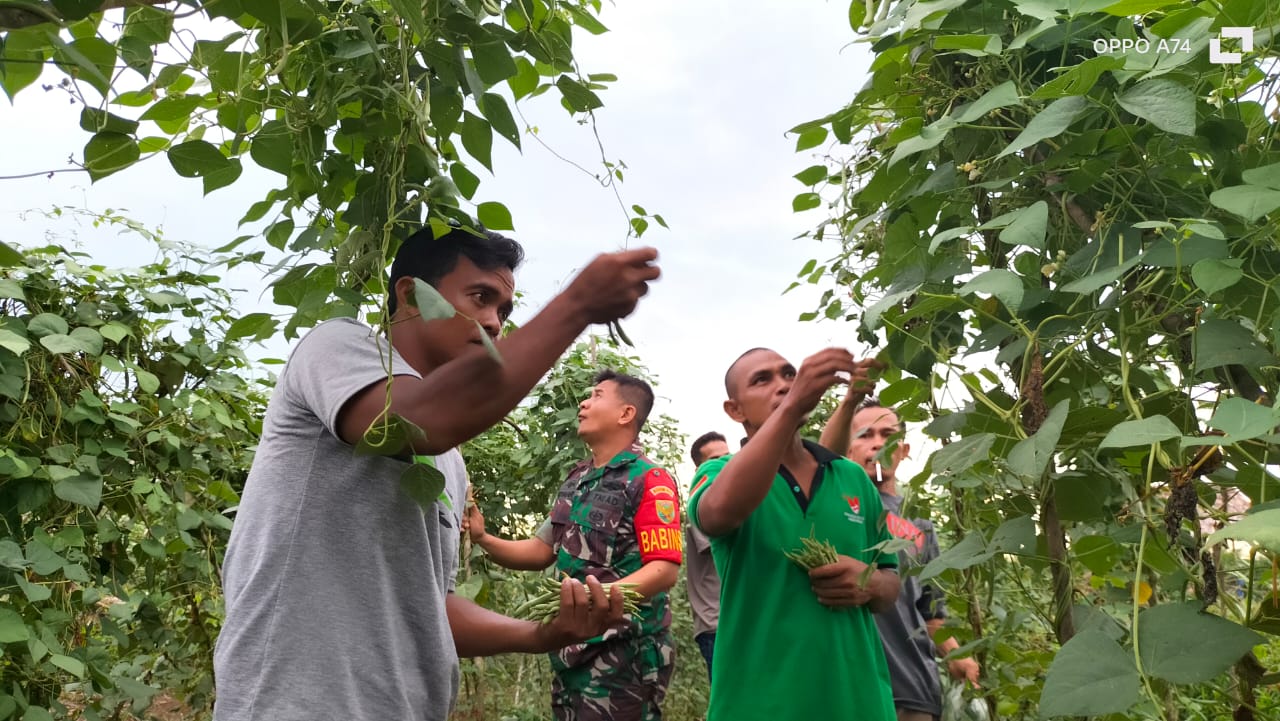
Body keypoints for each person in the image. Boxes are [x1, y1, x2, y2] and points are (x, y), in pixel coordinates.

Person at [213, 226, 661, 721]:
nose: (494, 323)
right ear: (410, 295)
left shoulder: (448, 460)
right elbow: (418, 420)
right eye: (480, 297)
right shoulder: (336, 345)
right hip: (294, 705)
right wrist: (576, 306)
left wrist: (540, 634)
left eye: (504, 311)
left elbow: (432, 606)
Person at [687, 347, 899, 721]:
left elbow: (890, 580)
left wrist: (868, 583)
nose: (784, 386)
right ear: (734, 411)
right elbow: (718, 514)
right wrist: (790, 408)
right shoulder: (718, 474)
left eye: (789, 374)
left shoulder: (852, 479)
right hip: (758, 706)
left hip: (859, 703)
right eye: (762, 380)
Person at [464, 370, 683, 721]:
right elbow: (540, 551)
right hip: (570, 648)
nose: (583, 402)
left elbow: (664, 569)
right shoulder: (576, 481)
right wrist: (483, 538)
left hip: (624, 653)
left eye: (597, 395)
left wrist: (596, 601)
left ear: (626, 414)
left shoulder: (649, 479)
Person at [821, 395, 982, 721]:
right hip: (846, 687)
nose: (877, 444)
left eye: (888, 435)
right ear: (847, 448)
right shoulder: (832, 507)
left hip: (913, 690)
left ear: (904, 450)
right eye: (864, 435)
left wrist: (957, 655)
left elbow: (931, 612)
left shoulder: (918, 524)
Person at [685, 431, 730, 677]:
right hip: (717, 624)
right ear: (699, 470)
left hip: (740, 619)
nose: (724, 464)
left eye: (728, 457)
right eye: (715, 460)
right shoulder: (702, 505)